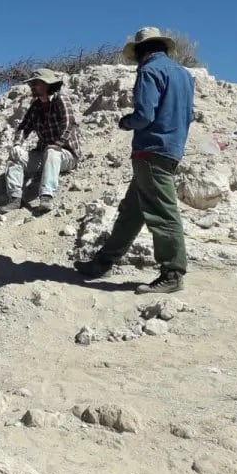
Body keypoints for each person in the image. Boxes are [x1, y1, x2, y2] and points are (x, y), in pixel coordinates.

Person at [75, 27, 195, 294]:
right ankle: (103, 262)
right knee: (132, 212)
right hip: (172, 149)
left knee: (163, 213)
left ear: (142, 51)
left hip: (150, 150)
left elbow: (144, 115)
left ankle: (173, 273)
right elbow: (188, 115)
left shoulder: (149, 71)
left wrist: (125, 122)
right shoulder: (184, 75)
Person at [2, 68, 82, 214]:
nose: (32, 87)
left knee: (51, 150)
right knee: (15, 156)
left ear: (47, 84)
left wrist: (58, 144)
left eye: (36, 83)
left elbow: (69, 124)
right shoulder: (36, 107)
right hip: (44, 154)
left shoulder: (61, 99)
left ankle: (46, 196)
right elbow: (23, 127)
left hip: (66, 154)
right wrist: (17, 144)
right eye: (31, 84)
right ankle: (15, 198)